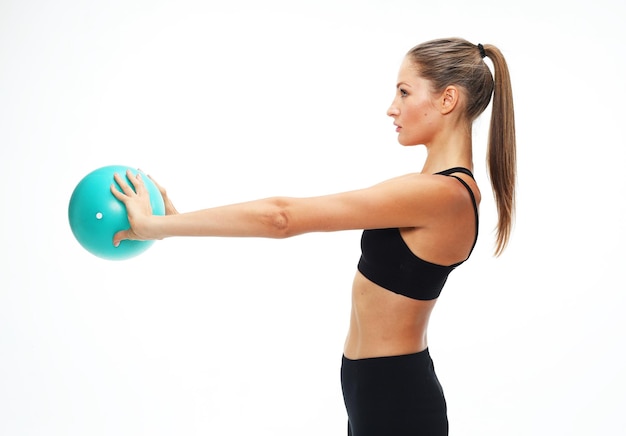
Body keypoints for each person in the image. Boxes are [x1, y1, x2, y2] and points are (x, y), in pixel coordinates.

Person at [111, 37, 516, 436]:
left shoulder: (442, 195)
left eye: (404, 91)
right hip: (375, 388)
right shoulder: (429, 188)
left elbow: (282, 218)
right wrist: (179, 219)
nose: (392, 107)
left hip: (396, 398)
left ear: (447, 100)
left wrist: (157, 227)